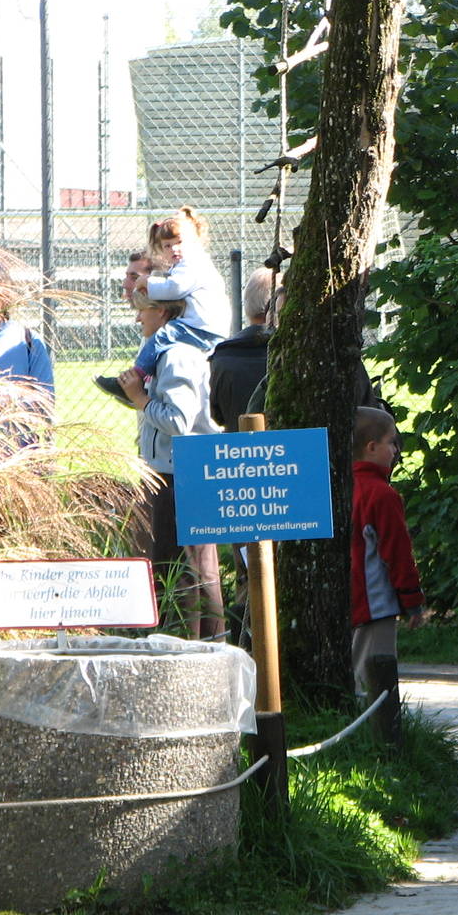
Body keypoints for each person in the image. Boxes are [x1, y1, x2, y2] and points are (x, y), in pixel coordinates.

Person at [119, 293, 225, 639]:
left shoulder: (176, 356)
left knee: (181, 569)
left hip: (180, 474)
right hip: (176, 470)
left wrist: (140, 399)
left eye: (142, 311)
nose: (138, 319)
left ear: (162, 311)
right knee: (194, 567)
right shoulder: (168, 352)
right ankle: (208, 643)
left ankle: (184, 647)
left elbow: (178, 421)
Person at [98, 207, 230, 403]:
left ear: (194, 240)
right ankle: (143, 379)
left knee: (162, 336)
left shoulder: (194, 264)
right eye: (167, 246)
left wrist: (148, 282)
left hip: (203, 328)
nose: (174, 249)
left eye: (179, 242)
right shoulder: (185, 265)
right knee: (163, 339)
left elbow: (175, 287)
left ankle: (136, 379)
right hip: (200, 325)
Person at [350, 406, 426, 695]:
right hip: (375, 604)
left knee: (355, 675)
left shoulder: (340, 488)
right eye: (391, 442)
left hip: (350, 601)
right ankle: (377, 723)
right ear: (371, 447)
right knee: (375, 683)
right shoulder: (381, 494)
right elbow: (397, 551)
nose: (396, 450)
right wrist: (411, 600)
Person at [0, 254, 56, 442]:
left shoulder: (28, 341)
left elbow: (45, 402)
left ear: (7, 294)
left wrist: (6, 402)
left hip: (17, 452)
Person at [210, 268, 281, 432]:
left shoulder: (221, 357)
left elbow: (215, 416)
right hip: (287, 444)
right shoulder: (286, 355)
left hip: (235, 443)